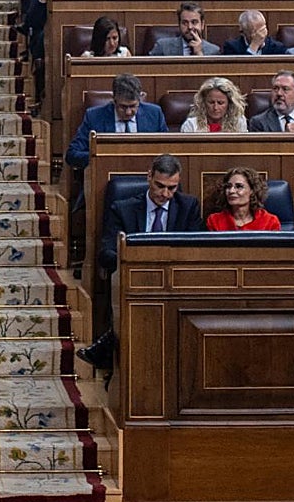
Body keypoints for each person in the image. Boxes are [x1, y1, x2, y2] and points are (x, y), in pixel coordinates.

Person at [77, 153, 203, 369]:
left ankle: (106, 348)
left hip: (176, 281)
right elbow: (106, 253)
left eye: (172, 188)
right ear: (148, 177)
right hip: (135, 279)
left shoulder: (188, 206)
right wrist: (133, 263)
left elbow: (197, 251)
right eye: (160, 186)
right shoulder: (123, 208)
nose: (165, 194)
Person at [65, 73, 168, 170]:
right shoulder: (94, 116)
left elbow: (168, 151)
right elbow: (72, 154)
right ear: (114, 100)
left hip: (146, 176)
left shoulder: (155, 114)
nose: (128, 112)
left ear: (139, 100)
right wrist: (102, 158)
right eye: (123, 107)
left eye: (133, 106)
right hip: (105, 178)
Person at [206, 167, 281, 231]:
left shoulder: (270, 221)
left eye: (239, 186)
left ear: (252, 190)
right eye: (228, 186)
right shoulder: (214, 220)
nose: (231, 191)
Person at [149, 1, 220, 56]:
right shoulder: (162, 47)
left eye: (194, 22)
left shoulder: (213, 51)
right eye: (185, 23)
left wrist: (199, 53)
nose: (190, 27)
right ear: (179, 24)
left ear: (202, 25)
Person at [181, 77, 248, 133]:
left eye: (220, 103)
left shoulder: (239, 122)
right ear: (203, 102)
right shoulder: (191, 125)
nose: (215, 107)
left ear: (229, 103)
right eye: (211, 102)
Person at [222, 9, 287, 55]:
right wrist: (254, 46)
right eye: (255, 32)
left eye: (262, 30)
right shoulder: (231, 47)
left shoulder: (277, 48)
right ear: (243, 31)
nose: (261, 35)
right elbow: (239, 70)